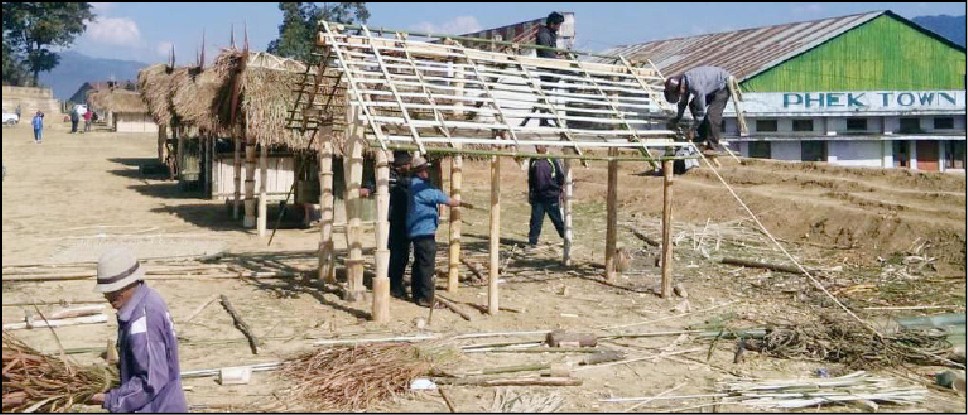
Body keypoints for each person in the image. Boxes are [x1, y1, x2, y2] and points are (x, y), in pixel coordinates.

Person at [89, 247, 188, 413]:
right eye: (106, 292)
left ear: (129, 284)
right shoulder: (148, 300)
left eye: (113, 291)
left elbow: (149, 382)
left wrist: (112, 400)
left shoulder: (143, 321)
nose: (107, 297)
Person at [406, 157, 460, 307]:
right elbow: (439, 197)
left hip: (418, 231)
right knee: (426, 265)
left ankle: (418, 295)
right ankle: (426, 297)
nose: (427, 173)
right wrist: (455, 201)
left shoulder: (415, 185)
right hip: (423, 231)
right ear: (419, 172)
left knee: (419, 264)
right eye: (425, 170)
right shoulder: (420, 188)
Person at [361, 150, 413, 300]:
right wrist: (367, 189)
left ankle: (397, 282)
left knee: (404, 254)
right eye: (407, 164)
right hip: (392, 219)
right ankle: (393, 284)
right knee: (395, 253)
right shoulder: (386, 174)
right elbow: (372, 184)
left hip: (407, 219)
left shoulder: (409, 176)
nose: (409, 167)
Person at [664, 66, 733, 152]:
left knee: (712, 114)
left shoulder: (695, 86)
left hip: (723, 85)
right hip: (712, 86)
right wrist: (678, 117)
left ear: (680, 88)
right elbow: (683, 103)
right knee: (692, 105)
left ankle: (713, 146)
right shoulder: (683, 82)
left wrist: (693, 129)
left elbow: (700, 112)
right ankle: (703, 135)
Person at [532, 11, 567, 127]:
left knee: (546, 94)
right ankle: (543, 120)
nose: (559, 27)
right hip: (546, 68)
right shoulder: (544, 34)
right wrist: (558, 57)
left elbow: (551, 51)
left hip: (550, 67)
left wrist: (559, 55)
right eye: (558, 24)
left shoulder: (550, 34)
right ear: (552, 23)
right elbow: (547, 53)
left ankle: (543, 120)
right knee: (545, 94)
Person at [528, 145, 566, 247]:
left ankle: (566, 238)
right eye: (536, 146)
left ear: (546, 146)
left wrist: (561, 192)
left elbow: (561, 176)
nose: (537, 148)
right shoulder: (533, 160)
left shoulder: (553, 160)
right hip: (538, 197)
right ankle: (532, 242)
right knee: (535, 220)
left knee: (557, 219)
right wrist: (531, 194)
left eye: (539, 145)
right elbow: (531, 178)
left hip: (551, 196)